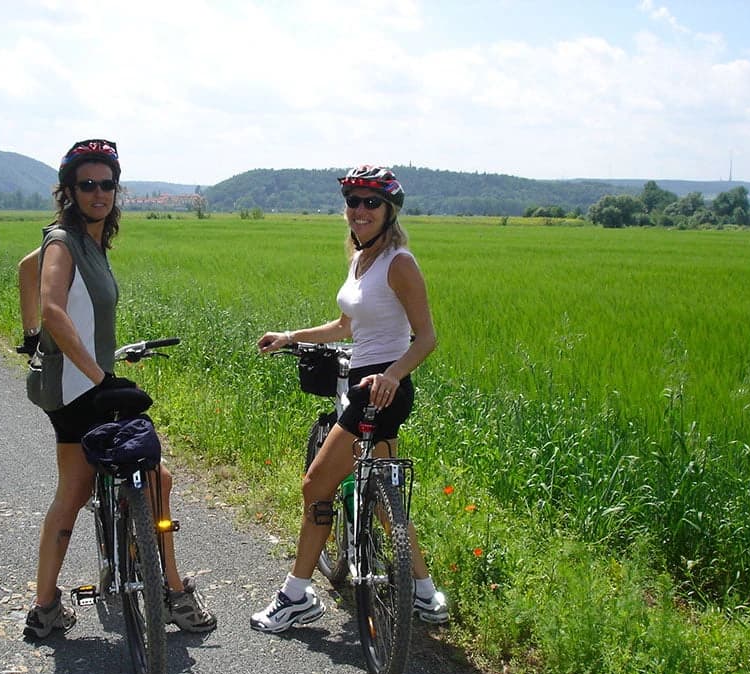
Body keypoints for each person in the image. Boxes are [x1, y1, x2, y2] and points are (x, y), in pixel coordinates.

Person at [22, 138, 216, 638]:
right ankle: (170, 590)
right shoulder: (66, 242)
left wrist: (30, 339)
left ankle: (47, 606)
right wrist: (98, 374)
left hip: (79, 381)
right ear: (68, 190)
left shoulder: (80, 240)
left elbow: (28, 268)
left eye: (107, 184)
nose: (99, 193)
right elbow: (54, 311)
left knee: (98, 485)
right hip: (76, 387)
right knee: (137, 481)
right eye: (87, 185)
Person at [251, 165, 448, 633]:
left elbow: (426, 338)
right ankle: (424, 593)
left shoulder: (399, 263)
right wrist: (290, 335)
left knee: (315, 487)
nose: (359, 210)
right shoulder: (360, 260)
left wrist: (392, 375)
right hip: (363, 383)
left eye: (371, 203)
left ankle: (295, 596)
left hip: (380, 390)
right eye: (353, 202)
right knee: (386, 501)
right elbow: (345, 327)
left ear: (389, 211)